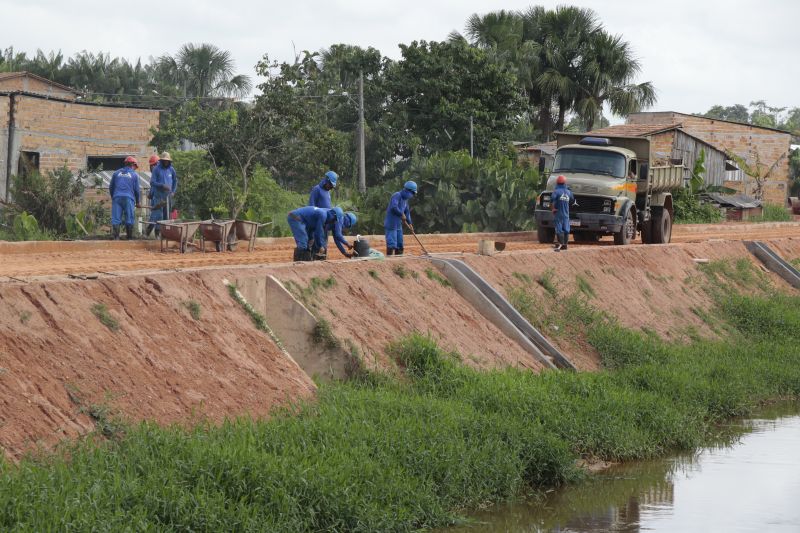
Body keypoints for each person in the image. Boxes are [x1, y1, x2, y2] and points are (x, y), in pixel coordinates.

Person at [146, 152, 178, 238]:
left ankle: (163, 235)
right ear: (162, 161)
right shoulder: (156, 169)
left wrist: (173, 191)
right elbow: (152, 182)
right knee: (157, 215)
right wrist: (162, 185)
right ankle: (151, 234)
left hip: (168, 197)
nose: (166, 162)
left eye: (167, 161)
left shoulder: (172, 170)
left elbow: (175, 181)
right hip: (158, 197)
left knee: (166, 217)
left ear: (169, 161)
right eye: (164, 161)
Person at [109, 156, 141, 240]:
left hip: (117, 197)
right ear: (133, 165)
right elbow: (137, 190)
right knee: (129, 217)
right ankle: (129, 238)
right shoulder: (134, 175)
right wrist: (138, 202)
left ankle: (116, 237)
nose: (135, 169)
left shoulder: (116, 173)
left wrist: (114, 197)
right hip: (128, 198)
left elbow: (111, 187)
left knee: (116, 218)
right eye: (135, 167)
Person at [384, 181, 417, 256]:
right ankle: (390, 259)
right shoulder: (397, 195)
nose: (412, 195)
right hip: (391, 224)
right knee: (392, 244)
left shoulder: (405, 200)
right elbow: (394, 207)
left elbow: (407, 212)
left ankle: (399, 260)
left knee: (399, 244)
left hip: (398, 225)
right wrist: (401, 214)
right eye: (412, 193)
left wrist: (410, 223)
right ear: (407, 190)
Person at [552, 174, 574, 252]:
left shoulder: (556, 191)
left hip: (558, 213)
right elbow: (572, 200)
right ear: (565, 183)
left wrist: (553, 208)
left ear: (557, 183)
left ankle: (560, 244)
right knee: (566, 228)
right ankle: (565, 245)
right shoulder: (569, 192)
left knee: (559, 228)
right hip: (566, 213)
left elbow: (552, 199)